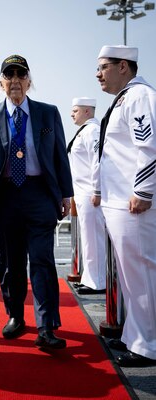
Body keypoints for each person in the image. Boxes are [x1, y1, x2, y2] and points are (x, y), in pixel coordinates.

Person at [0, 54, 73, 350]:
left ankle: (47, 326)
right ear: (1, 83)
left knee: (42, 260)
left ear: (29, 81)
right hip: (6, 196)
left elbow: (60, 155)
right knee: (11, 263)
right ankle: (15, 315)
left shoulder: (48, 113)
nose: (15, 81)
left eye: (20, 75)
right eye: (8, 76)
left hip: (39, 194)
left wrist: (66, 193)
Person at [95, 45, 156, 367]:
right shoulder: (125, 99)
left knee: (142, 274)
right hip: (119, 200)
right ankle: (137, 333)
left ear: (122, 66)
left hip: (134, 203)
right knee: (131, 275)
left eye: (103, 67)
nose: (97, 74)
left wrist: (144, 191)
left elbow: (150, 147)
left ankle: (148, 345)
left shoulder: (139, 97)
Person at [68, 97, 106, 295]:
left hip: (91, 193)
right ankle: (91, 278)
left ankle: (97, 282)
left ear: (87, 111)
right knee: (88, 238)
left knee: (94, 239)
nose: (72, 114)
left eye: (75, 110)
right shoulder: (84, 130)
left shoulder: (92, 131)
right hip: (83, 192)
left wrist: (97, 190)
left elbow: (97, 161)